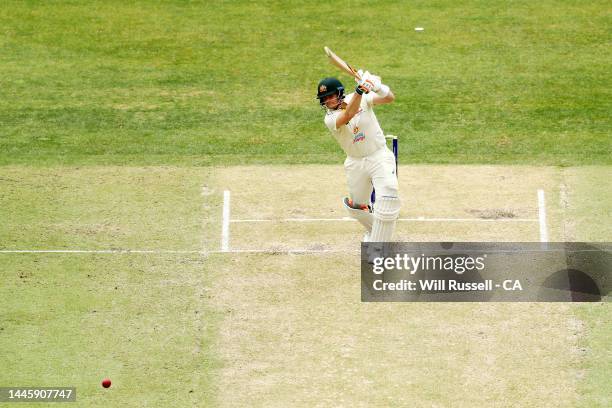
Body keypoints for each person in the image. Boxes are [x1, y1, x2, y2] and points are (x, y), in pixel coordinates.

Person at [316, 72, 400, 242]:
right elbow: (348, 114)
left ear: (340, 92)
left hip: (379, 156)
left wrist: (377, 86)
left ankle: (378, 247)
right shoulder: (330, 118)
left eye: (331, 96)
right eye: (324, 98)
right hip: (355, 163)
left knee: (388, 197)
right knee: (356, 207)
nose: (328, 101)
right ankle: (375, 232)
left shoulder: (362, 98)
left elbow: (389, 98)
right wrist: (361, 90)